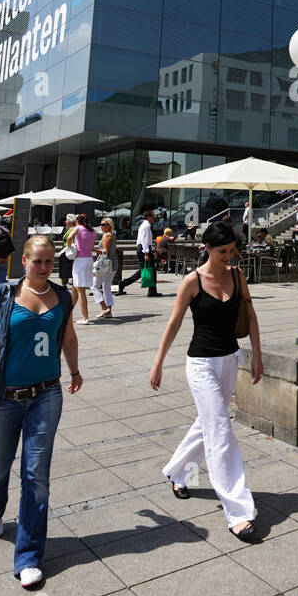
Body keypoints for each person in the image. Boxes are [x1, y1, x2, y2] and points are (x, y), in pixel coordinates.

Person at [0, 234, 81, 589]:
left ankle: (28, 555)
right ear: (24, 261)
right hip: (2, 398)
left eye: (49, 262)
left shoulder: (62, 296)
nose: (44, 268)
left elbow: (69, 337)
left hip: (46, 395)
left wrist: (74, 370)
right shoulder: (5, 294)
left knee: (36, 475)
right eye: (37, 261)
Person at [150, 221, 262, 541]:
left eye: (232, 250)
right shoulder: (193, 281)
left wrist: (256, 355)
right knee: (221, 430)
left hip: (229, 360)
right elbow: (173, 324)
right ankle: (238, 511)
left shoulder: (238, 276)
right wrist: (157, 363)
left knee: (208, 424)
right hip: (200, 364)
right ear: (208, 249)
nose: (229, 256)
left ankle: (178, 472)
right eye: (223, 251)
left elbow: (251, 317)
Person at [118, 208, 160, 297]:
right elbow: (145, 240)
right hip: (144, 249)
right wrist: (146, 253)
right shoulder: (147, 226)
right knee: (149, 270)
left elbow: (145, 240)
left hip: (142, 248)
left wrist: (152, 249)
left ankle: (124, 284)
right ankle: (151, 290)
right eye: (153, 216)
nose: (154, 218)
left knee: (144, 270)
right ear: (148, 217)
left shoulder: (143, 225)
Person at [69, 212, 96, 325]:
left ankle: (85, 317)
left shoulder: (78, 228)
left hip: (80, 260)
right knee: (76, 288)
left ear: (78, 221)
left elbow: (69, 237)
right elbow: (92, 246)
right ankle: (67, 313)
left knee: (80, 290)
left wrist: (69, 247)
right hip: (89, 259)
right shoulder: (92, 231)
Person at [91, 218, 118, 319]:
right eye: (101, 224)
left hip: (105, 265)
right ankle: (109, 312)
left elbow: (105, 252)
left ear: (109, 226)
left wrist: (93, 249)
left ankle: (104, 307)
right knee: (106, 287)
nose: (101, 226)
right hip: (113, 264)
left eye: (104, 224)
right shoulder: (113, 235)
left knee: (93, 286)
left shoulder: (107, 235)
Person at [58, 214, 77, 289]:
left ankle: (65, 285)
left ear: (70, 221)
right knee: (65, 268)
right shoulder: (69, 228)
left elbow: (70, 239)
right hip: (67, 249)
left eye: (66, 220)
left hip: (70, 250)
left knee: (67, 268)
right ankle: (65, 284)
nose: (65, 222)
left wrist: (69, 246)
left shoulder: (74, 229)